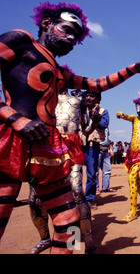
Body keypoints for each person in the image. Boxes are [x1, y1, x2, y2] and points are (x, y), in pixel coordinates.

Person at [0, 1, 140, 253]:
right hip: (9, 142)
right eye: (67, 29)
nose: (71, 38)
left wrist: (133, 69)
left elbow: (96, 84)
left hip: (47, 147)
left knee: (70, 223)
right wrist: (15, 119)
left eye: (76, 36)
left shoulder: (60, 71)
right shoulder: (21, 40)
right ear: (47, 23)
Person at [28, 85, 95, 254]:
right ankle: (44, 239)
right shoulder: (39, 101)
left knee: (76, 193)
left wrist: (93, 122)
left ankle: (86, 241)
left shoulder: (76, 101)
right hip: (46, 150)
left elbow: (84, 130)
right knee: (34, 200)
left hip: (70, 149)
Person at [80, 91, 108, 209]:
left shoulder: (103, 111)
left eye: (92, 96)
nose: (88, 98)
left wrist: (95, 115)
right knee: (76, 172)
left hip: (93, 145)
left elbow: (103, 125)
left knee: (91, 173)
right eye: (87, 95)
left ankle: (89, 199)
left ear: (97, 99)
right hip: (79, 144)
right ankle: (77, 198)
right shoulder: (80, 110)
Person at [98, 127, 115, 193]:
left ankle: (106, 187)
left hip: (106, 150)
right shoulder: (95, 123)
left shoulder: (106, 127)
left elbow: (107, 138)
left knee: (107, 169)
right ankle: (96, 188)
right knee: (96, 170)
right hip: (98, 149)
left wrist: (110, 149)